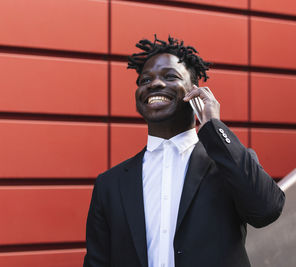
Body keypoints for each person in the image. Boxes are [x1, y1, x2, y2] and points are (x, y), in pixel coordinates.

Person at [83, 35, 285, 267]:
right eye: (145, 80)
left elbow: (266, 210)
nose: (155, 84)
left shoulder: (230, 163)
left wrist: (213, 126)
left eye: (171, 76)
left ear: (195, 92)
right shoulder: (110, 184)